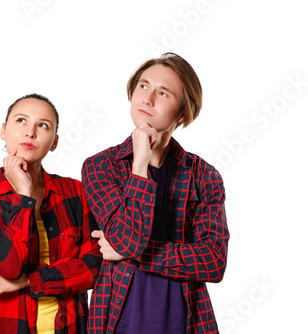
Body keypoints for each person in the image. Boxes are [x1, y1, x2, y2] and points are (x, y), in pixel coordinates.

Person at [82, 53, 230, 334]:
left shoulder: (203, 175)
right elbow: (126, 241)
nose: (147, 99)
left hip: (186, 319)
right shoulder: (100, 166)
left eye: (163, 93)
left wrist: (135, 253)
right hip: (116, 318)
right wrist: (139, 167)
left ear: (182, 112)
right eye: (142, 86)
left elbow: (214, 261)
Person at [0, 93, 102, 334]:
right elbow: (8, 267)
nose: (30, 133)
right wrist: (24, 196)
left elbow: (96, 267)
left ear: (54, 142)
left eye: (43, 125)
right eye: (21, 121)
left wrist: (28, 281)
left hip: (69, 328)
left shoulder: (75, 192)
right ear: (3, 131)